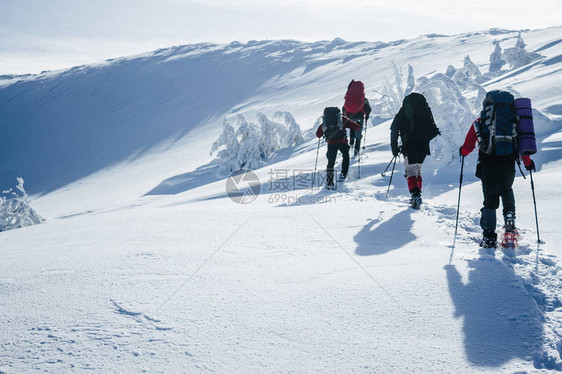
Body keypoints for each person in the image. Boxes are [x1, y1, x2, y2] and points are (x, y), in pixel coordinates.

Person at [460, 118, 536, 248]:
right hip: (508, 163)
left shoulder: (480, 121)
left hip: (488, 164)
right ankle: (509, 219)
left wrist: (463, 151)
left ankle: (489, 237)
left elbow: (469, 146)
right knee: (506, 189)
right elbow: (522, 144)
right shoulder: (513, 120)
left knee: (490, 198)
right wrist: (528, 162)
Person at [390, 93, 440, 209]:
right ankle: (417, 194)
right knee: (418, 170)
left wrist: (394, 148)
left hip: (410, 146)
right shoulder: (424, 111)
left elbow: (394, 130)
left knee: (411, 171)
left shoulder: (402, 113)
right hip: (423, 146)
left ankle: (415, 195)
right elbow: (433, 128)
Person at [316, 107, 362, 189]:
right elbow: (355, 127)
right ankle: (343, 175)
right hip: (342, 142)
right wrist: (359, 125)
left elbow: (318, 134)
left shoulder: (325, 121)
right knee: (346, 156)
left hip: (331, 143)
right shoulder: (342, 119)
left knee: (331, 162)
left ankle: (329, 183)